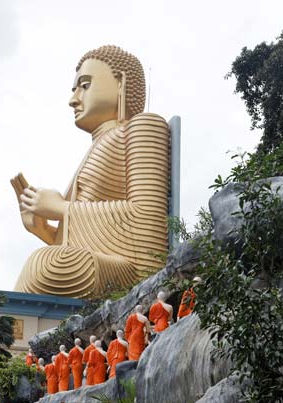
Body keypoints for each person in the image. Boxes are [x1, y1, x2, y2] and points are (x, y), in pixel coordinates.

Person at [11, 45, 169, 298]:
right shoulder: (95, 148)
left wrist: (62, 209)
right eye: (74, 89)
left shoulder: (142, 127)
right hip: (94, 262)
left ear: (120, 83)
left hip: (131, 270)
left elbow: (147, 220)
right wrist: (43, 229)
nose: (74, 99)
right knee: (48, 260)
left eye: (84, 86)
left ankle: (9, 331)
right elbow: (85, 240)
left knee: (47, 262)